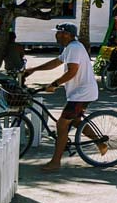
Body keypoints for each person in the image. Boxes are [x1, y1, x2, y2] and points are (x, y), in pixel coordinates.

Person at [25, 23, 101, 172]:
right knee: (76, 121)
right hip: (80, 93)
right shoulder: (71, 48)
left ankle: (55, 162)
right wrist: (33, 70)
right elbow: (56, 62)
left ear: (67, 34)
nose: (56, 36)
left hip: (82, 94)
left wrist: (55, 84)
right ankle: (101, 143)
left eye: (59, 33)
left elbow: (72, 71)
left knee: (61, 125)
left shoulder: (74, 48)